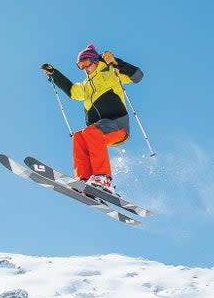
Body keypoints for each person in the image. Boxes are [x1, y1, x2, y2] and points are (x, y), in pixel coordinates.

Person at [40, 44, 143, 193]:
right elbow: (71, 91)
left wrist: (116, 62)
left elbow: (137, 76)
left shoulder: (111, 73)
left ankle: (103, 179)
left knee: (89, 132)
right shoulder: (85, 86)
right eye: (80, 66)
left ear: (95, 60)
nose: (84, 68)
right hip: (99, 132)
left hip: (118, 126)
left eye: (86, 63)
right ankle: (84, 180)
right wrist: (53, 73)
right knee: (78, 137)